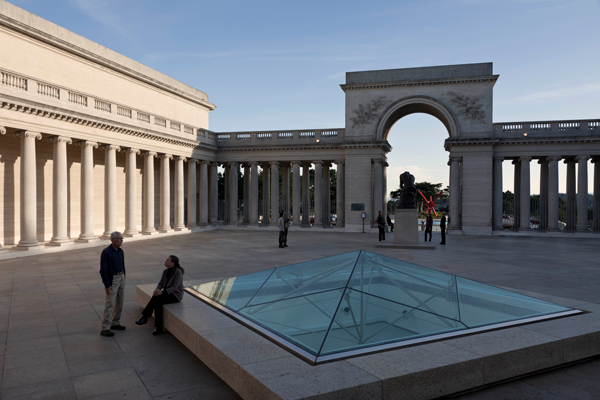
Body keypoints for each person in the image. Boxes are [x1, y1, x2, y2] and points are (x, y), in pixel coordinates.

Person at [135, 255, 184, 335]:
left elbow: (175, 287)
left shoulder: (178, 272)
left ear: (173, 263)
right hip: (166, 293)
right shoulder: (165, 271)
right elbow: (161, 283)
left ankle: (146, 318)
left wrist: (162, 292)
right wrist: (157, 289)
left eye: (167, 260)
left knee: (157, 299)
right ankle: (157, 326)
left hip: (175, 295)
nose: (165, 261)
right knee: (157, 300)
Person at [99, 231, 126, 337]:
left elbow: (123, 265)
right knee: (110, 303)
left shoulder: (121, 251)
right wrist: (107, 284)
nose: (121, 240)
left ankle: (115, 323)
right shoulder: (106, 252)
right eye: (119, 238)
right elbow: (103, 270)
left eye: (122, 238)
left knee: (120, 302)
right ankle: (105, 327)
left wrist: (123, 278)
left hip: (121, 277)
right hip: (113, 279)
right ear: (112, 240)